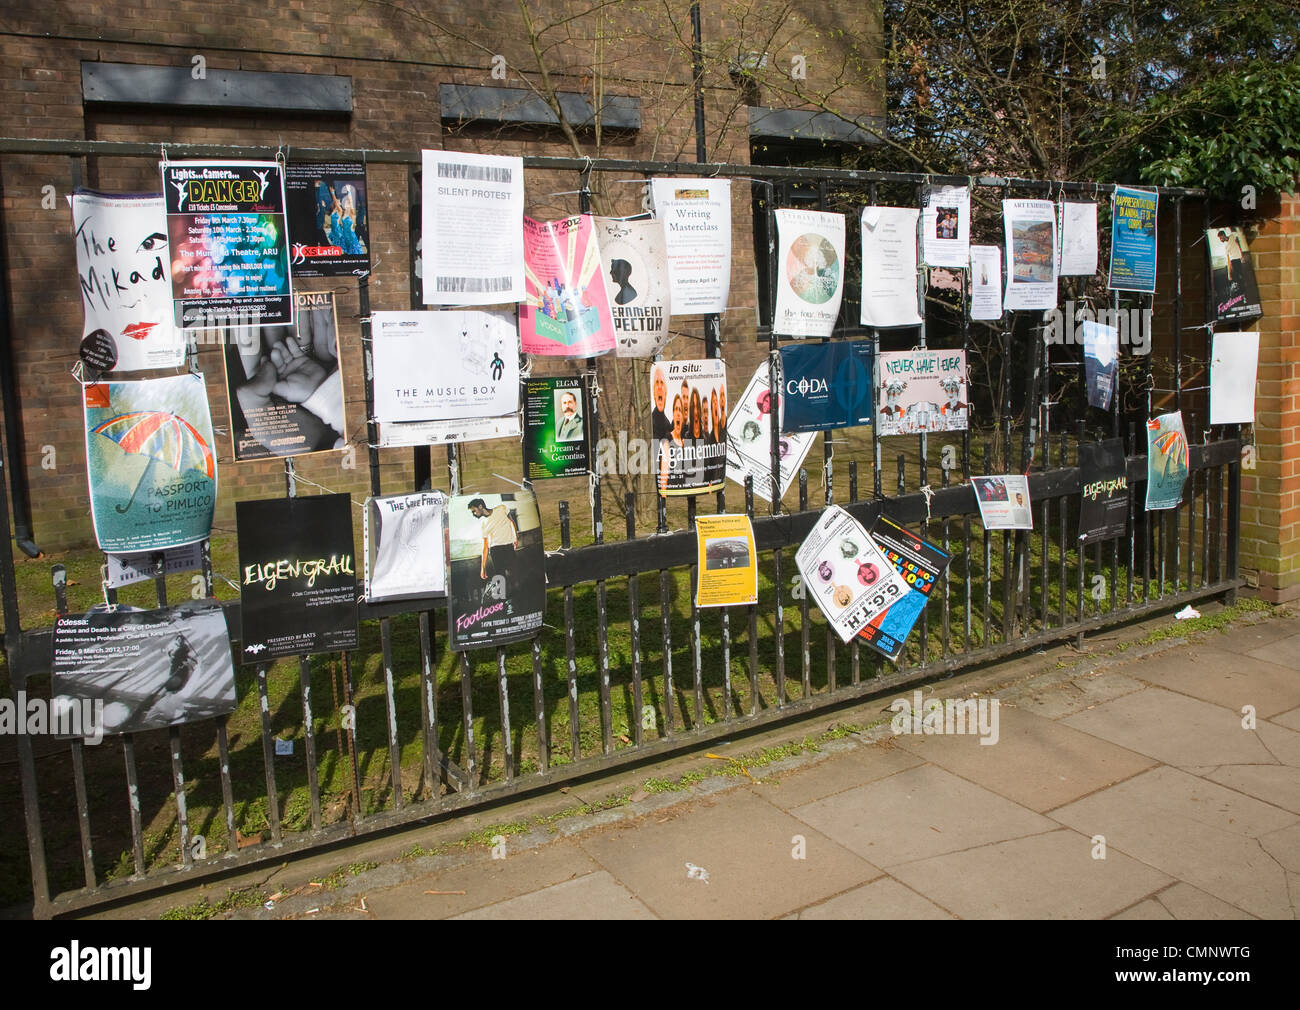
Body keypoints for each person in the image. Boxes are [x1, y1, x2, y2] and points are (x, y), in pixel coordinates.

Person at [467, 497, 518, 591]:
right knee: (500, 577)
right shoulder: (483, 524)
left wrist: (516, 538)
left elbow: (512, 521)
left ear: (480, 506)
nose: (474, 514)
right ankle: (504, 600)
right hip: (495, 550)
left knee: (514, 573)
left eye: (474, 510)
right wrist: (483, 568)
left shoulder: (501, 509)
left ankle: (517, 596)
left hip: (508, 546)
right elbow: (485, 547)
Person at [651, 366, 671, 441]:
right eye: (657, 383)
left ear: (665, 392)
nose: (659, 387)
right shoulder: (651, 422)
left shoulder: (667, 422)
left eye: (662, 383)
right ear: (653, 393)